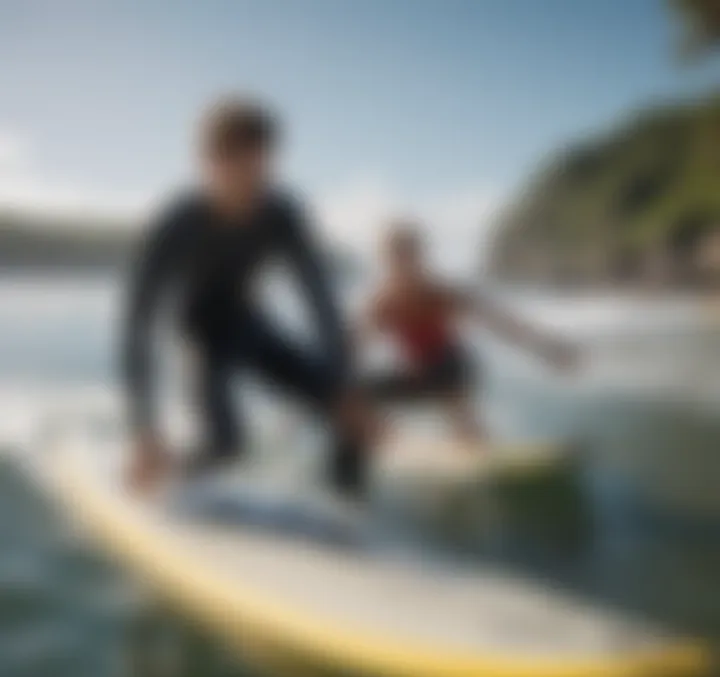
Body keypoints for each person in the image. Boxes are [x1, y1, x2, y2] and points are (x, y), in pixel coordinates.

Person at [123, 97, 374, 497]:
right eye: (237, 170)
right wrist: (144, 427)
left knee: (351, 416)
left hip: (250, 324)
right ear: (208, 164)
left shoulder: (282, 214)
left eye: (260, 170)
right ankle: (171, 481)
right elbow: (138, 327)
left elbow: (320, 301)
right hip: (201, 335)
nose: (251, 187)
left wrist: (342, 387)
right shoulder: (177, 224)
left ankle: (345, 518)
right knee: (227, 445)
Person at [357, 222, 578, 441]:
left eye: (409, 254)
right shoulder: (381, 304)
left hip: (451, 367)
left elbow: (498, 321)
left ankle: (476, 442)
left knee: (450, 386)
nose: (405, 264)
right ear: (384, 261)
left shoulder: (439, 292)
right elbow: (352, 345)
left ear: (421, 256)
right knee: (356, 395)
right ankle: (390, 442)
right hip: (417, 374)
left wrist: (548, 349)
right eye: (396, 257)